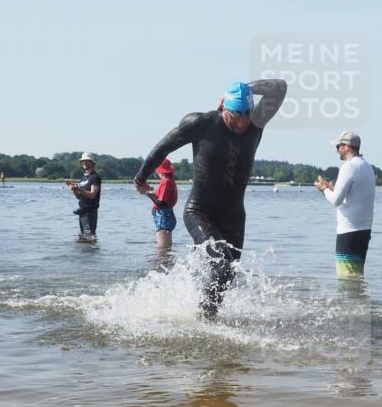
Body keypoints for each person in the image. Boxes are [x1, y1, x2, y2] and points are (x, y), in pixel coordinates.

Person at [133, 79, 287, 318]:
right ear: (223, 107)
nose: (242, 122)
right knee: (222, 263)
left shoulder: (256, 123)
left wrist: (246, 87)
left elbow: (280, 87)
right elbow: (163, 147)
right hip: (200, 211)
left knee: (227, 273)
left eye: (246, 114)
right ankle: (203, 321)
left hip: (234, 216)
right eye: (236, 115)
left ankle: (204, 315)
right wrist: (141, 177)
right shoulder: (201, 124)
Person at [314, 131, 376, 278]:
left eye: (338, 146)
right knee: (356, 275)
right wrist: (331, 189)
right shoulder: (367, 166)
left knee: (346, 278)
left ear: (347, 147)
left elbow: (336, 200)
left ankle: (351, 302)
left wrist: (323, 189)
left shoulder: (349, 166)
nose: (337, 150)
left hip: (349, 231)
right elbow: (352, 197)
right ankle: (358, 301)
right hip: (364, 231)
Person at [144, 158, 178, 251]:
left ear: (159, 171)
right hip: (166, 214)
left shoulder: (166, 181)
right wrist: (150, 192)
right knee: (165, 245)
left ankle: (161, 263)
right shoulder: (169, 180)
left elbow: (161, 203)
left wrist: (148, 193)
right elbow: (161, 200)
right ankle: (166, 262)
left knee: (162, 246)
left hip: (163, 215)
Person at [66, 153, 101, 240]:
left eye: (87, 161)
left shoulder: (95, 177)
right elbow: (79, 197)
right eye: (83, 161)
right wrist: (74, 190)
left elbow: (92, 195)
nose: (85, 162)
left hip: (90, 212)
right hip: (82, 212)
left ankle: (91, 252)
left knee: (89, 236)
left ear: (92, 163)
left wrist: (78, 188)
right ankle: (86, 252)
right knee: (84, 236)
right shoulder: (83, 178)